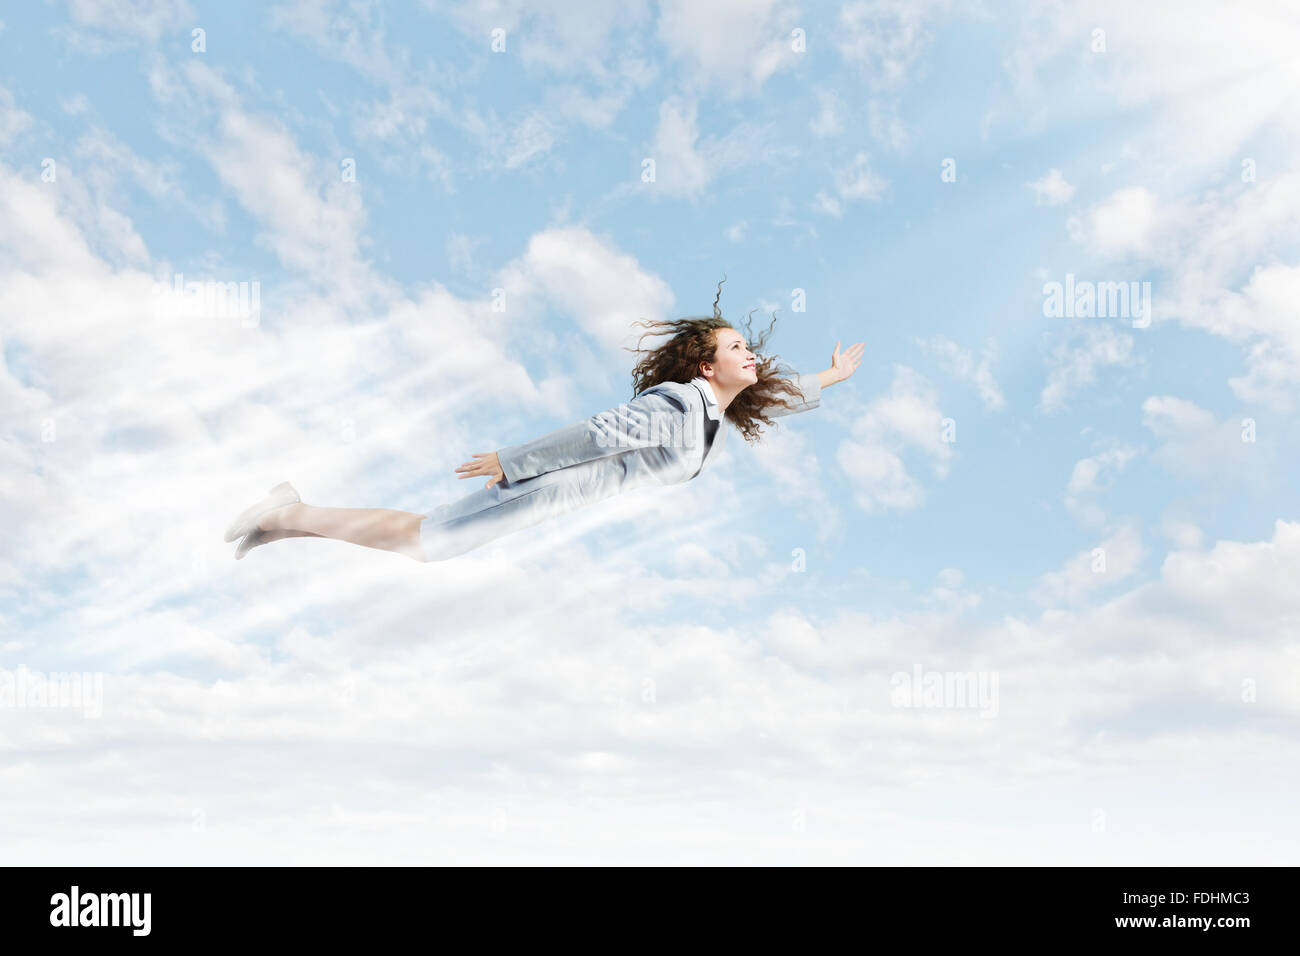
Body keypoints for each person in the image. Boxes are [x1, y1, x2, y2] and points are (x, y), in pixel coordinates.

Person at [224, 302, 864, 563]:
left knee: (427, 540)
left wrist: (831, 378)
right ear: (706, 365)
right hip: (547, 486)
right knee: (427, 540)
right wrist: (514, 461)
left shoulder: (709, 414)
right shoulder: (677, 406)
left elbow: (774, 399)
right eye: (737, 346)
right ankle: (288, 513)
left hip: (558, 498)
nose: (751, 354)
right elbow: (597, 433)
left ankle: (286, 519)